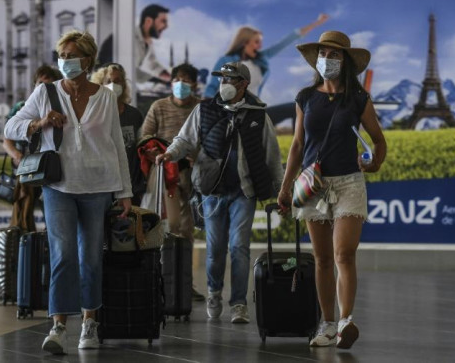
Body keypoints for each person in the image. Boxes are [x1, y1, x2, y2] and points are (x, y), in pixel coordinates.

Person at [4, 30, 133, 355]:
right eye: (60, 55)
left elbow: (117, 145)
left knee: (90, 257)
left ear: (87, 60)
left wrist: (125, 192)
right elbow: (11, 127)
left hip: (98, 186)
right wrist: (39, 123)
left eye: (71, 56)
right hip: (58, 186)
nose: (64, 61)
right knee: (62, 256)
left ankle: (90, 322)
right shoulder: (45, 92)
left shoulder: (105, 96)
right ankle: (58, 325)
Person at [277, 31, 386, 350]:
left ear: (346, 61)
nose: (328, 59)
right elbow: (297, 145)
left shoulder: (358, 98)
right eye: (324, 53)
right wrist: (285, 187)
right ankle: (325, 322)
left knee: (344, 253)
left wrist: (374, 162)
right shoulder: (305, 98)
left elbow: (378, 139)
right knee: (323, 259)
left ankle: (345, 321)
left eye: (335, 54)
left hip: (349, 181)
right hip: (313, 183)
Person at [156, 61, 283, 324]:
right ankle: (214, 292)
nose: (224, 83)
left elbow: (272, 155)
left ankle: (238, 303)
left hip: (244, 192)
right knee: (214, 250)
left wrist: (281, 190)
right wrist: (170, 154)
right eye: (222, 78)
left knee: (239, 247)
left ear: (244, 84)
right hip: (212, 191)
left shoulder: (259, 115)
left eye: (231, 79)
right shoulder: (205, 109)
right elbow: (184, 139)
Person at [141, 62, 204, 300]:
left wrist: (195, 154)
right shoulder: (158, 107)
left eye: (186, 80)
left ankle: (184, 283)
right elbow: (145, 137)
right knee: (171, 226)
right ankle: (161, 281)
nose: (180, 84)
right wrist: (159, 152)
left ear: (195, 85)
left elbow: (209, 140)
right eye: (177, 79)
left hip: (193, 173)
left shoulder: (201, 108)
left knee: (188, 230)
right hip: (166, 176)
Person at [204, 13, 330, 98]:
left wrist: (317, 23)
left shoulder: (261, 59)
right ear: (244, 42)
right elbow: (212, 87)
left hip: (251, 111)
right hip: (226, 111)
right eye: (256, 42)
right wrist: (206, 106)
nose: (260, 46)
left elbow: (287, 40)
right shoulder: (225, 61)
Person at [2, 65, 63, 232]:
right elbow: (7, 139)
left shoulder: (61, 107)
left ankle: (47, 250)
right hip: (26, 168)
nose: (42, 87)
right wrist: (17, 156)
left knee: (52, 218)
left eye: (47, 84)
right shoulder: (21, 106)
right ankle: (24, 251)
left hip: (51, 169)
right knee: (23, 215)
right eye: (39, 83)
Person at [90, 63, 145, 204]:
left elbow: (140, 146)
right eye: (109, 82)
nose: (113, 85)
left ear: (124, 84)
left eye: (117, 81)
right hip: (100, 185)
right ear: (100, 84)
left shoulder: (134, 115)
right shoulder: (93, 114)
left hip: (131, 186)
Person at [134, 4, 171, 87]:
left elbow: (152, 63)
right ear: (148, 21)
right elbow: (129, 70)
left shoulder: (147, 40)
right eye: (163, 21)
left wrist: (168, 77)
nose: (166, 26)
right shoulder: (131, 39)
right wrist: (162, 81)